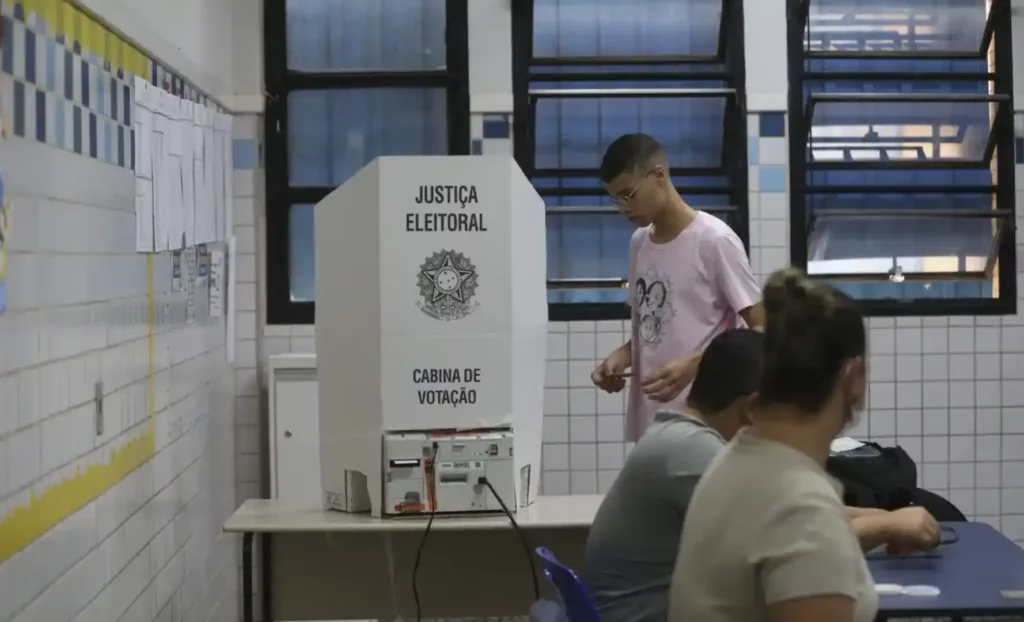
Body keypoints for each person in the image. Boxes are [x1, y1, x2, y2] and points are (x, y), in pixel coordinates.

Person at [585, 327, 941, 622]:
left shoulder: (681, 437)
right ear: (751, 409)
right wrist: (888, 526)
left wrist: (889, 516)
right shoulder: (691, 453)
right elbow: (799, 535)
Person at [669, 269, 941, 622]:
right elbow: (799, 523)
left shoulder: (736, 462)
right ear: (853, 377)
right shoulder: (802, 506)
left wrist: (884, 523)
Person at [588, 133, 764, 442]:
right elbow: (655, 327)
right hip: (652, 423)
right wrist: (623, 356)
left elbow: (763, 329)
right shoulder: (639, 243)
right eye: (616, 199)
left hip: (706, 424)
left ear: (658, 175)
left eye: (629, 194)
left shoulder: (714, 241)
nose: (624, 208)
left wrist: (695, 364)